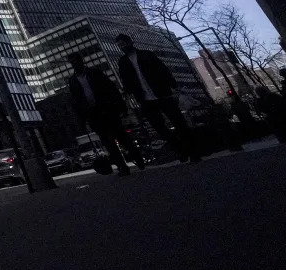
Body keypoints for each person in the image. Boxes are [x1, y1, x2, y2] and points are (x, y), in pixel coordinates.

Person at [115, 33, 201, 163]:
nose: (122, 47)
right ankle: (180, 149)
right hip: (145, 98)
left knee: (179, 123)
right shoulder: (123, 62)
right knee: (158, 126)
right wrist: (128, 92)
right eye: (119, 46)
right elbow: (125, 79)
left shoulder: (146, 54)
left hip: (162, 93)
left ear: (130, 42)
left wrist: (172, 84)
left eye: (123, 44)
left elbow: (162, 69)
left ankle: (192, 152)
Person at [67, 53, 142, 176]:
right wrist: (82, 119)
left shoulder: (94, 73)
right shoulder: (73, 81)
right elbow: (76, 101)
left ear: (81, 61)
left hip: (107, 109)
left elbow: (110, 87)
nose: (74, 64)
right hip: (93, 114)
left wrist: (120, 105)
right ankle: (122, 166)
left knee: (121, 136)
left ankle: (136, 157)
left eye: (76, 61)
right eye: (72, 62)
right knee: (108, 142)